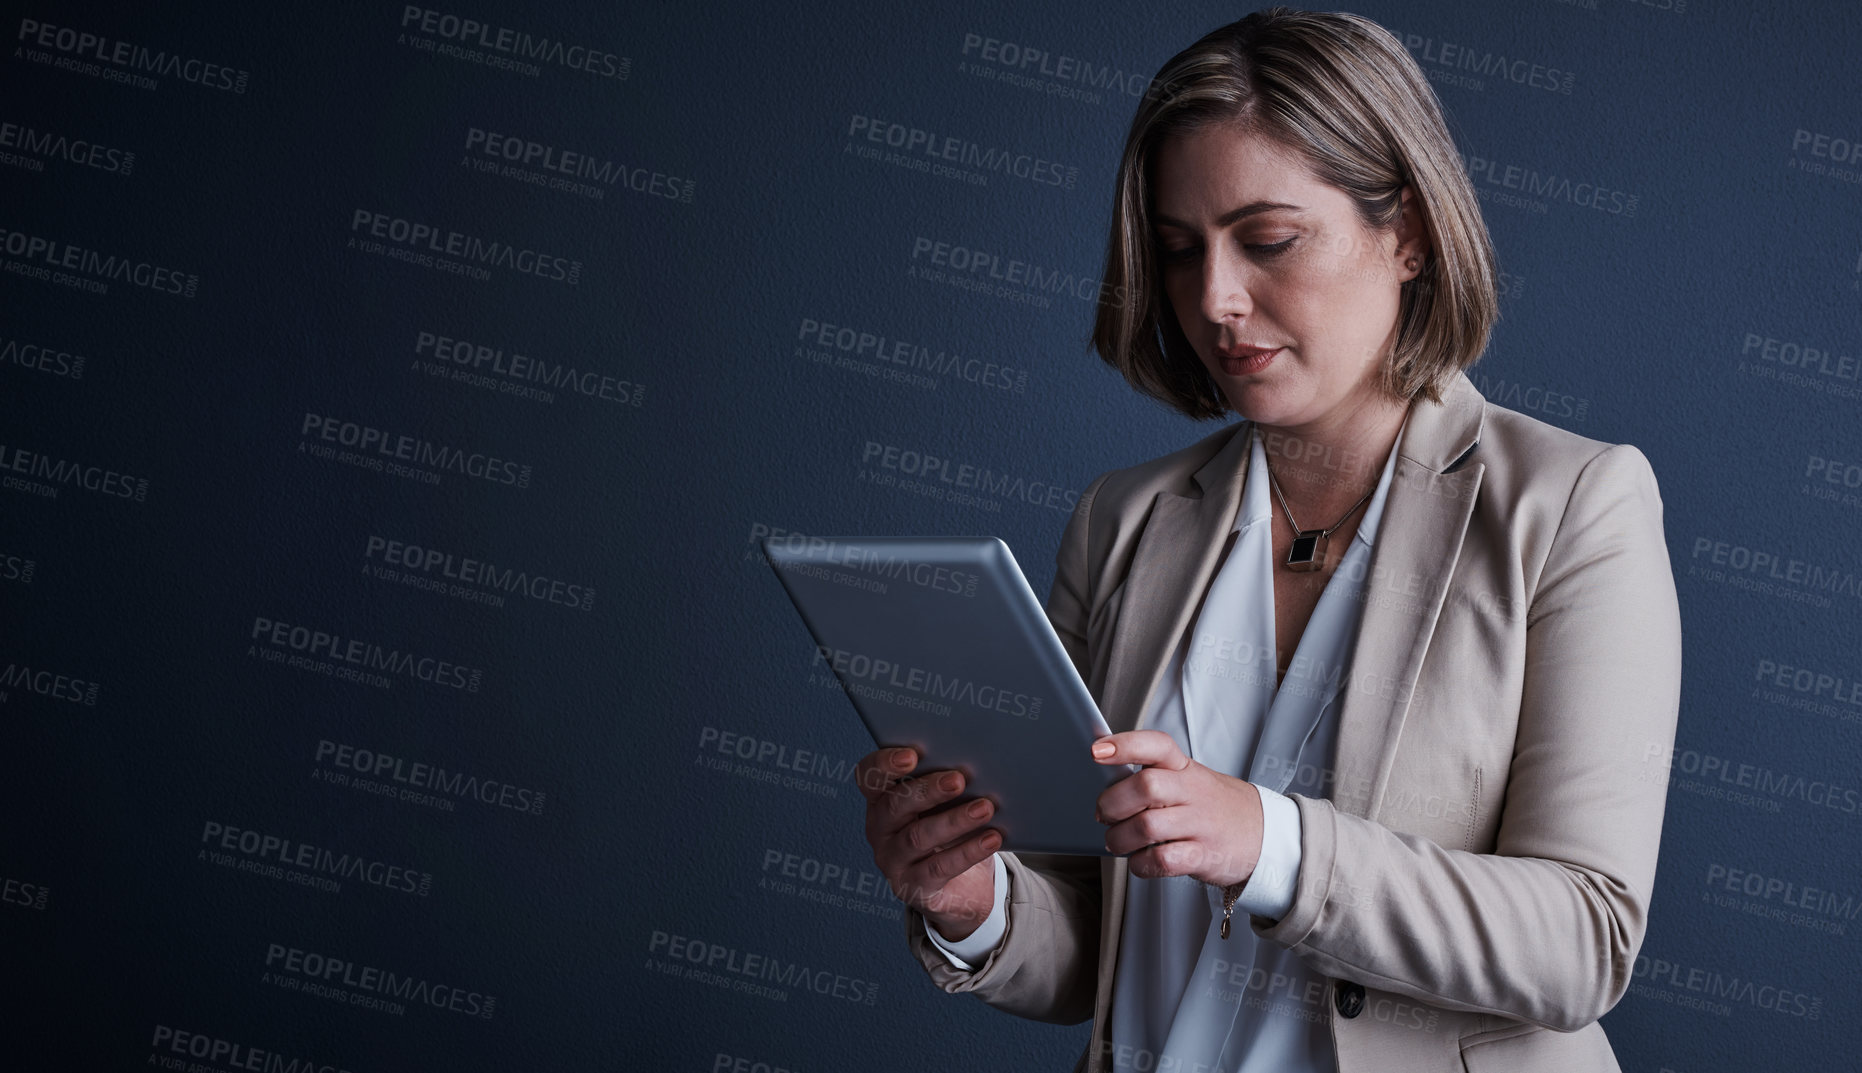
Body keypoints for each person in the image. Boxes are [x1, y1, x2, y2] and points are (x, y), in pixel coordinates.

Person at [852, 8, 1682, 1073]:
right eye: (1176, 249)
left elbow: (1582, 940)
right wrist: (973, 901)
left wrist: (1270, 840)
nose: (1213, 299)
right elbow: (1102, 945)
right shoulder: (1121, 520)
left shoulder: (1572, 505)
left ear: (1410, 232)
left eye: (1269, 239)